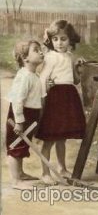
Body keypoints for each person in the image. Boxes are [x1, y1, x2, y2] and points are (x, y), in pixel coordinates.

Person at [36, 20, 86, 185]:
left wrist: (78, 70)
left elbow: (75, 81)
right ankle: (45, 173)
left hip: (68, 97)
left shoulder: (70, 57)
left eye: (63, 39)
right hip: (54, 99)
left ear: (70, 40)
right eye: (55, 39)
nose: (59, 43)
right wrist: (43, 99)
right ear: (51, 40)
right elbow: (43, 79)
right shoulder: (51, 57)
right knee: (49, 137)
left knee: (61, 137)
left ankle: (62, 168)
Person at [6, 40, 44, 189]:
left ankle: (20, 174)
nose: (41, 52)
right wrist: (19, 121)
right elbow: (17, 100)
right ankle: (15, 180)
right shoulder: (24, 76)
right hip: (19, 115)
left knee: (22, 145)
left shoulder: (34, 75)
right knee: (15, 145)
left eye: (41, 49)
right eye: (36, 50)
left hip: (30, 114)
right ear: (25, 58)